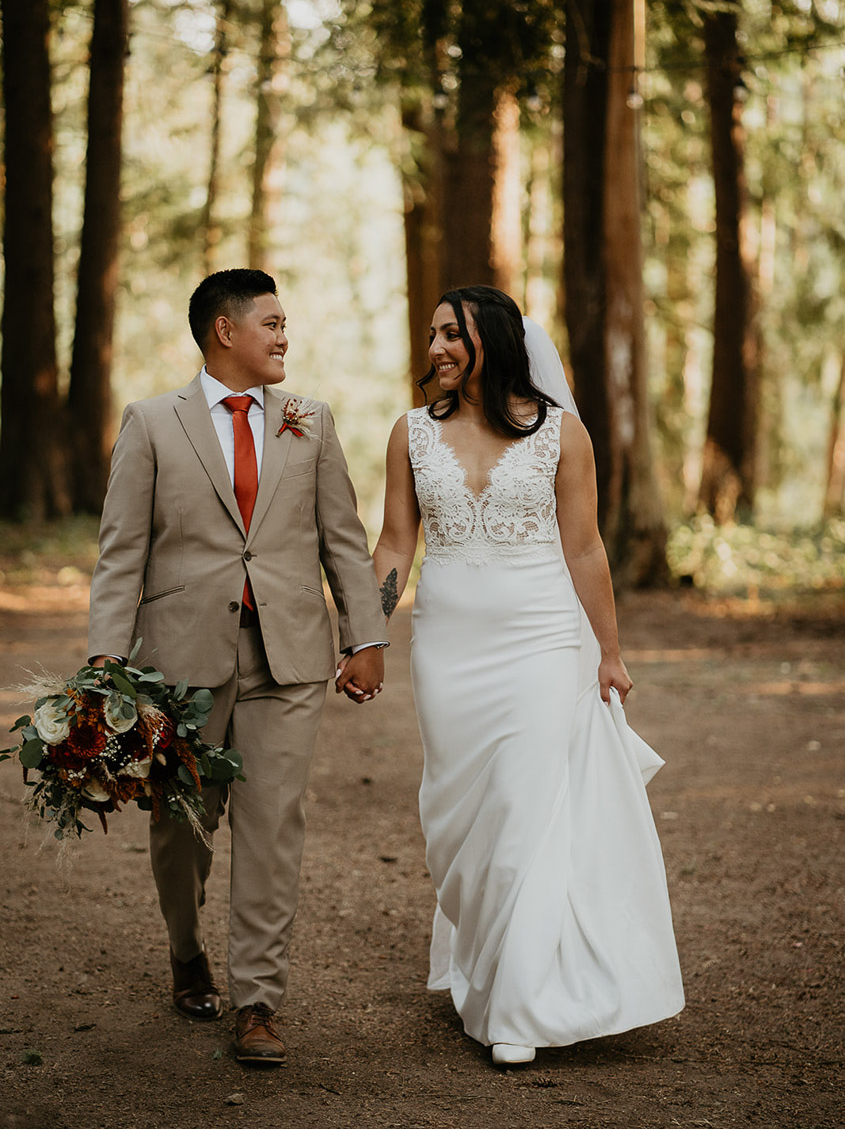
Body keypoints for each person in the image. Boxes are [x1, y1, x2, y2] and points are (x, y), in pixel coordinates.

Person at [373, 285, 684, 1066]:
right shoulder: (408, 433)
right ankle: (484, 967)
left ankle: (519, 1007)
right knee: (459, 816)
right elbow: (392, 547)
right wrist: (363, 634)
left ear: (497, 340)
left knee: (525, 805)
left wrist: (607, 652)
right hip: (447, 648)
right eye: (433, 333)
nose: (436, 346)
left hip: (544, 639)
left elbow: (584, 549)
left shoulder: (561, 436)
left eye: (452, 332)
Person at [87, 268, 386, 1064]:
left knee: (271, 825)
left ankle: (257, 1000)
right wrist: (105, 663)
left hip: (286, 656)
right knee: (181, 823)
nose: (285, 337)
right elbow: (122, 556)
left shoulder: (309, 421)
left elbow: (342, 539)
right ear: (225, 330)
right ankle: (187, 950)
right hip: (181, 659)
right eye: (272, 322)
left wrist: (366, 635)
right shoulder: (151, 423)